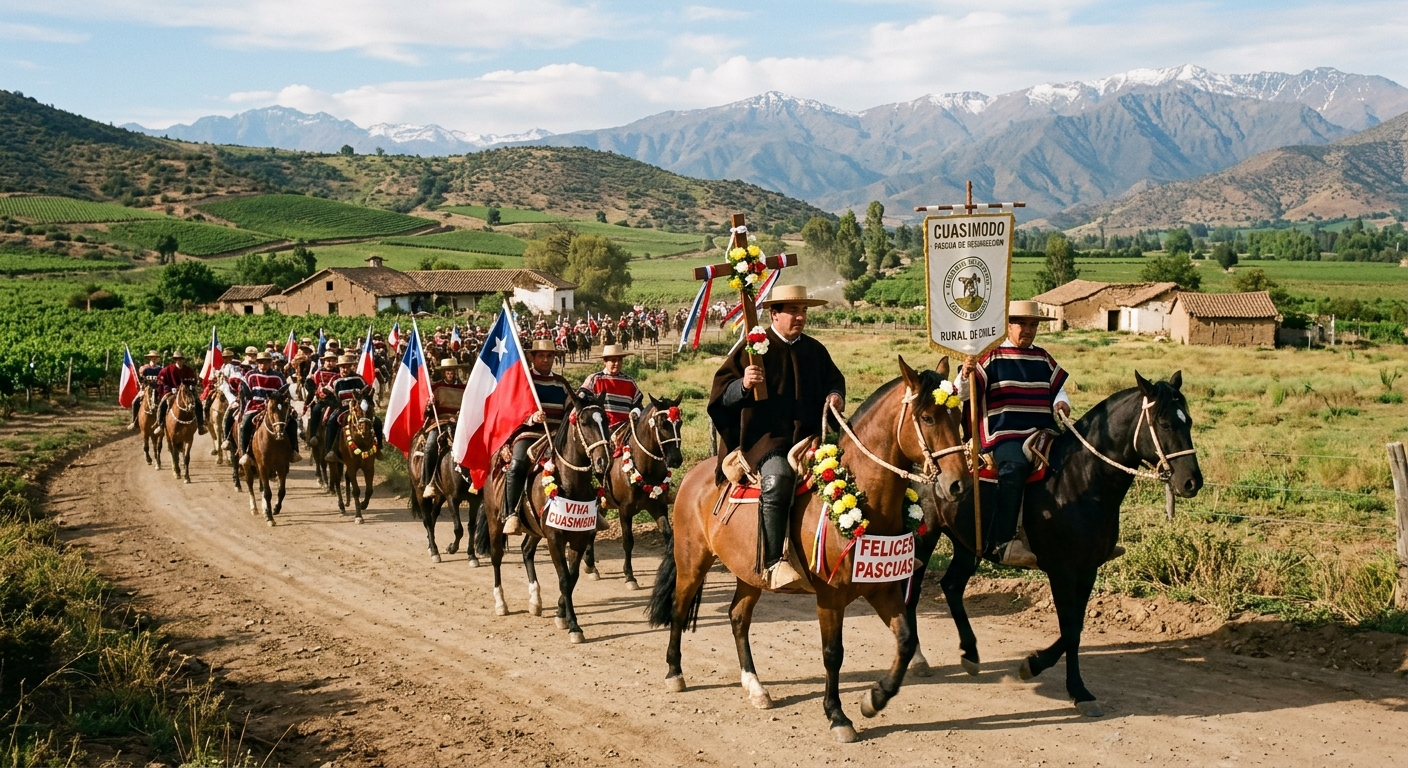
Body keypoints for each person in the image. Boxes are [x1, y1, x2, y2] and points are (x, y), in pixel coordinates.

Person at [707, 285, 845, 590]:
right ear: (774, 314)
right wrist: (743, 384)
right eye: (793, 311)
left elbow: (835, 380)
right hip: (766, 439)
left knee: (849, 473)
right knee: (779, 477)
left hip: (810, 438)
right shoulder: (752, 348)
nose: (800, 317)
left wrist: (835, 395)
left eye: (804, 311)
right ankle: (773, 562)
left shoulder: (814, 350)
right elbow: (720, 395)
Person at [956, 300, 1071, 569]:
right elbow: (963, 393)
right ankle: (1005, 542)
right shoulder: (992, 355)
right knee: (1015, 465)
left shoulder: (1043, 357)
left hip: (1043, 431)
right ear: (1007, 325)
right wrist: (965, 374)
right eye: (1021, 323)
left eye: (1032, 324)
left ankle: (1083, 534)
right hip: (1003, 434)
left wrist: (1061, 403)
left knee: (1076, 461)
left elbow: (1058, 389)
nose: (1027, 330)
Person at [501, 339, 572, 535]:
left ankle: (590, 510)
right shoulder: (524, 382)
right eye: (541, 355)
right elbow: (511, 410)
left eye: (550, 356)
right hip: (529, 434)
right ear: (532, 357)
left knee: (581, 462)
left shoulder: (561, 383)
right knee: (516, 466)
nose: (546, 359)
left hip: (557, 436)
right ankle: (511, 514)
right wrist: (531, 417)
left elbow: (570, 408)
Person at [237, 351, 301, 466]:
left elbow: (284, 392)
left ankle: (293, 451)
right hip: (256, 405)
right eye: (260, 362)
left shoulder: (278, 376)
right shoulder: (250, 375)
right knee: (245, 423)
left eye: (266, 362)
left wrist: (285, 404)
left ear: (270, 363)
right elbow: (244, 391)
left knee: (292, 422)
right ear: (257, 363)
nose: (263, 365)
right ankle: (244, 453)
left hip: (275, 406)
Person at [419, 358, 467, 498]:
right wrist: (429, 404)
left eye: (452, 371)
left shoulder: (464, 388)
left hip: (459, 423)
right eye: (447, 371)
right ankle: (428, 482)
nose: (450, 374)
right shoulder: (436, 387)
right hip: (439, 422)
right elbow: (427, 413)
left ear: (455, 371)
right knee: (430, 446)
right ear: (444, 373)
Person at [322, 354, 381, 463]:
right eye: (342, 367)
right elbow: (326, 391)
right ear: (339, 367)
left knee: (377, 422)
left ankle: (378, 448)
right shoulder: (335, 380)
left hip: (358, 408)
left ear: (351, 367)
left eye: (347, 366)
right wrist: (325, 393)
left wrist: (368, 394)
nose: (345, 369)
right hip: (342, 407)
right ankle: (330, 451)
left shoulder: (358, 379)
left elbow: (367, 390)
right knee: (331, 422)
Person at [581, 344, 641, 429]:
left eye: (620, 360)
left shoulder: (629, 382)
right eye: (613, 360)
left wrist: (635, 411)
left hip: (625, 433)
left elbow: (638, 405)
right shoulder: (594, 379)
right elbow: (581, 402)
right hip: (601, 431)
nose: (617, 363)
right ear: (605, 361)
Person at [156, 350, 205, 434]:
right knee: (163, 403)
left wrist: (191, 386)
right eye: (177, 359)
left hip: (187, 392)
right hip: (172, 391)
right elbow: (161, 380)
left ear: (183, 359)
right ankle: (160, 424)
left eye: (181, 359)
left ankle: (200, 425)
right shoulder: (167, 370)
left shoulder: (189, 370)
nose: (180, 361)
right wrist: (169, 388)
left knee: (198, 403)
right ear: (175, 360)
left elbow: (193, 381)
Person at [306, 351, 340, 452]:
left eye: (332, 361)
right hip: (322, 399)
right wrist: (319, 392)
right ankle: (313, 435)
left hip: (335, 400)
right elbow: (315, 386)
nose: (330, 363)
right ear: (324, 362)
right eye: (328, 361)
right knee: (316, 410)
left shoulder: (338, 373)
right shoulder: (318, 373)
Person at [129, 350, 164, 429]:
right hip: (146, 389)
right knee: (134, 402)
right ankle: (134, 421)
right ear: (149, 358)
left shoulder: (160, 369)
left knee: (166, 402)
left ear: (157, 359)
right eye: (152, 357)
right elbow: (141, 380)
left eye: (155, 357)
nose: (153, 359)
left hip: (158, 390)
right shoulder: (144, 369)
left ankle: (163, 422)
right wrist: (141, 386)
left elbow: (162, 381)